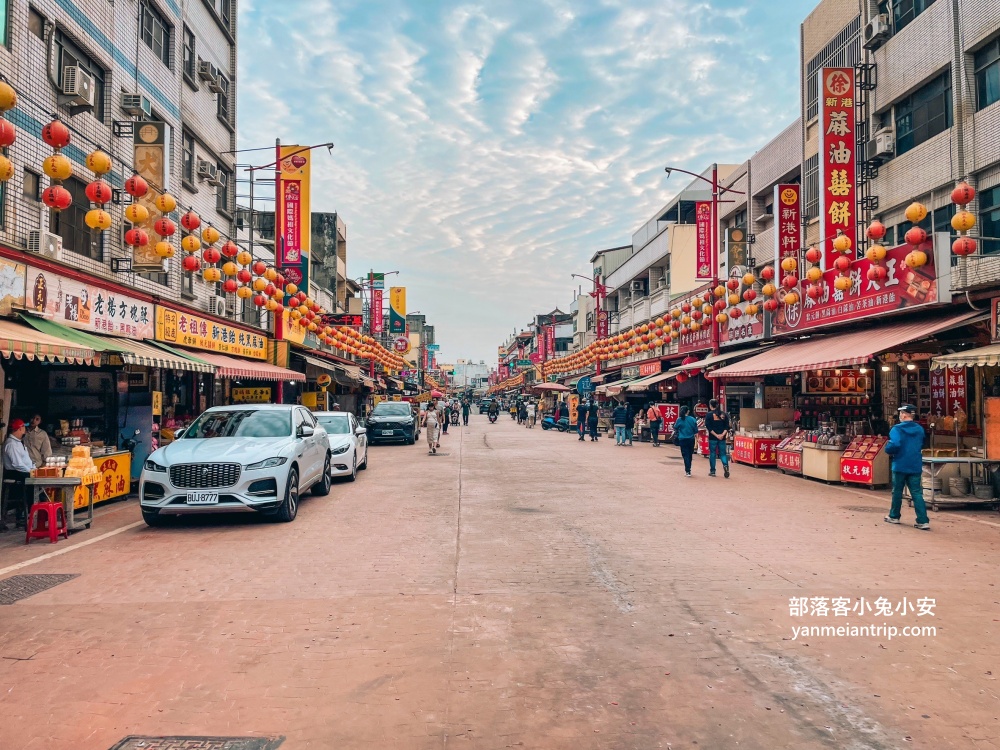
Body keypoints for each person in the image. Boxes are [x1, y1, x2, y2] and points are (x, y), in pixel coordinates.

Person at [884, 404, 930, 530]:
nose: (900, 416)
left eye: (901, 413)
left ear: (904, 414)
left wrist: (888, 448)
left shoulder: (896, 429)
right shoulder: (919, 429)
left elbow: (895, 444)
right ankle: (923, 520)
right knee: (916, 492)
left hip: (900, 464)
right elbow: (921, 444)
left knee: (897, 491)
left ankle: (894, 516)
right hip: (915, 464)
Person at [2, 419, 35, 530]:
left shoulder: (19, 442)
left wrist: (34, 469)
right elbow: (17, 464)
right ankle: (27, 512)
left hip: (23, 470)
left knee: (36, 479)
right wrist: (30, 472)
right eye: (24, 427)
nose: (25, 429)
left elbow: (26, 461)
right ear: (20, 428)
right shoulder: (11, 444)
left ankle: (29, 511)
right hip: (15, 473)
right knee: (32, 482)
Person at [704, 399, 731, 478]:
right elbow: (727, 426)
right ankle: (725, 466)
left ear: (710, 405)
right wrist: (722, 434)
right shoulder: (724, 414)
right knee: (723, 453)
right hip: (722, 438)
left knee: (712, 454)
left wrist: (716, 435)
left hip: (713, 437)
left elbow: (708, 427)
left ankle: (713, 471)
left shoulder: (709, 415)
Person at [673, 406, 699, 477]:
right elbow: (696, 431)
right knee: (690, 455)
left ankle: (687, 470)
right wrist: (698, 440)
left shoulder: (679, 419)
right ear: (688, 411)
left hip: (682, 439)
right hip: (691, 439)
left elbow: (675, 428)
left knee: (685, 455)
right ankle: (689, 469)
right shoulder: (692, 419)